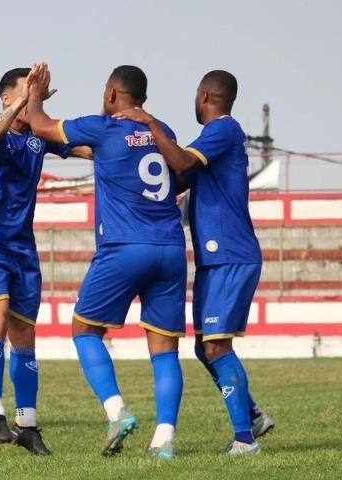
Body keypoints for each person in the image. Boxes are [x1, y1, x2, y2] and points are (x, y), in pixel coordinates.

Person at [27, 63, 186, 458]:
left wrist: (35, 92)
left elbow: (39, 125)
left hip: (124, 246)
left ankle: (117, 412)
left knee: (84, 330)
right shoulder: (162, 128)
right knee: (164, 349)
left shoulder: (103, 126)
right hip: (170, 247)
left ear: (112, 93)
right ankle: (164, 441)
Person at [112, 70, 274, 456]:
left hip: (229, 255)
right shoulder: (214, 140)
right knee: (206, 347)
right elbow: (179, 178)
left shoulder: (222, 130)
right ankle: (252, 416)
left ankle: (245, 440)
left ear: (204, 96)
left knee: (216, 347)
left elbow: (182, 162)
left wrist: (148, 123)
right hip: (215, 258)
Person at [0, 67, 92, 455]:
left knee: (25, 336)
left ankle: (29, 425)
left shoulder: (38, 136)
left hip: (22, 246)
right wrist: (24, 100)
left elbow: (85, 149)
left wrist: (120, 137)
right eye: (24, 93)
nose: (31, 99)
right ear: (7, 99)